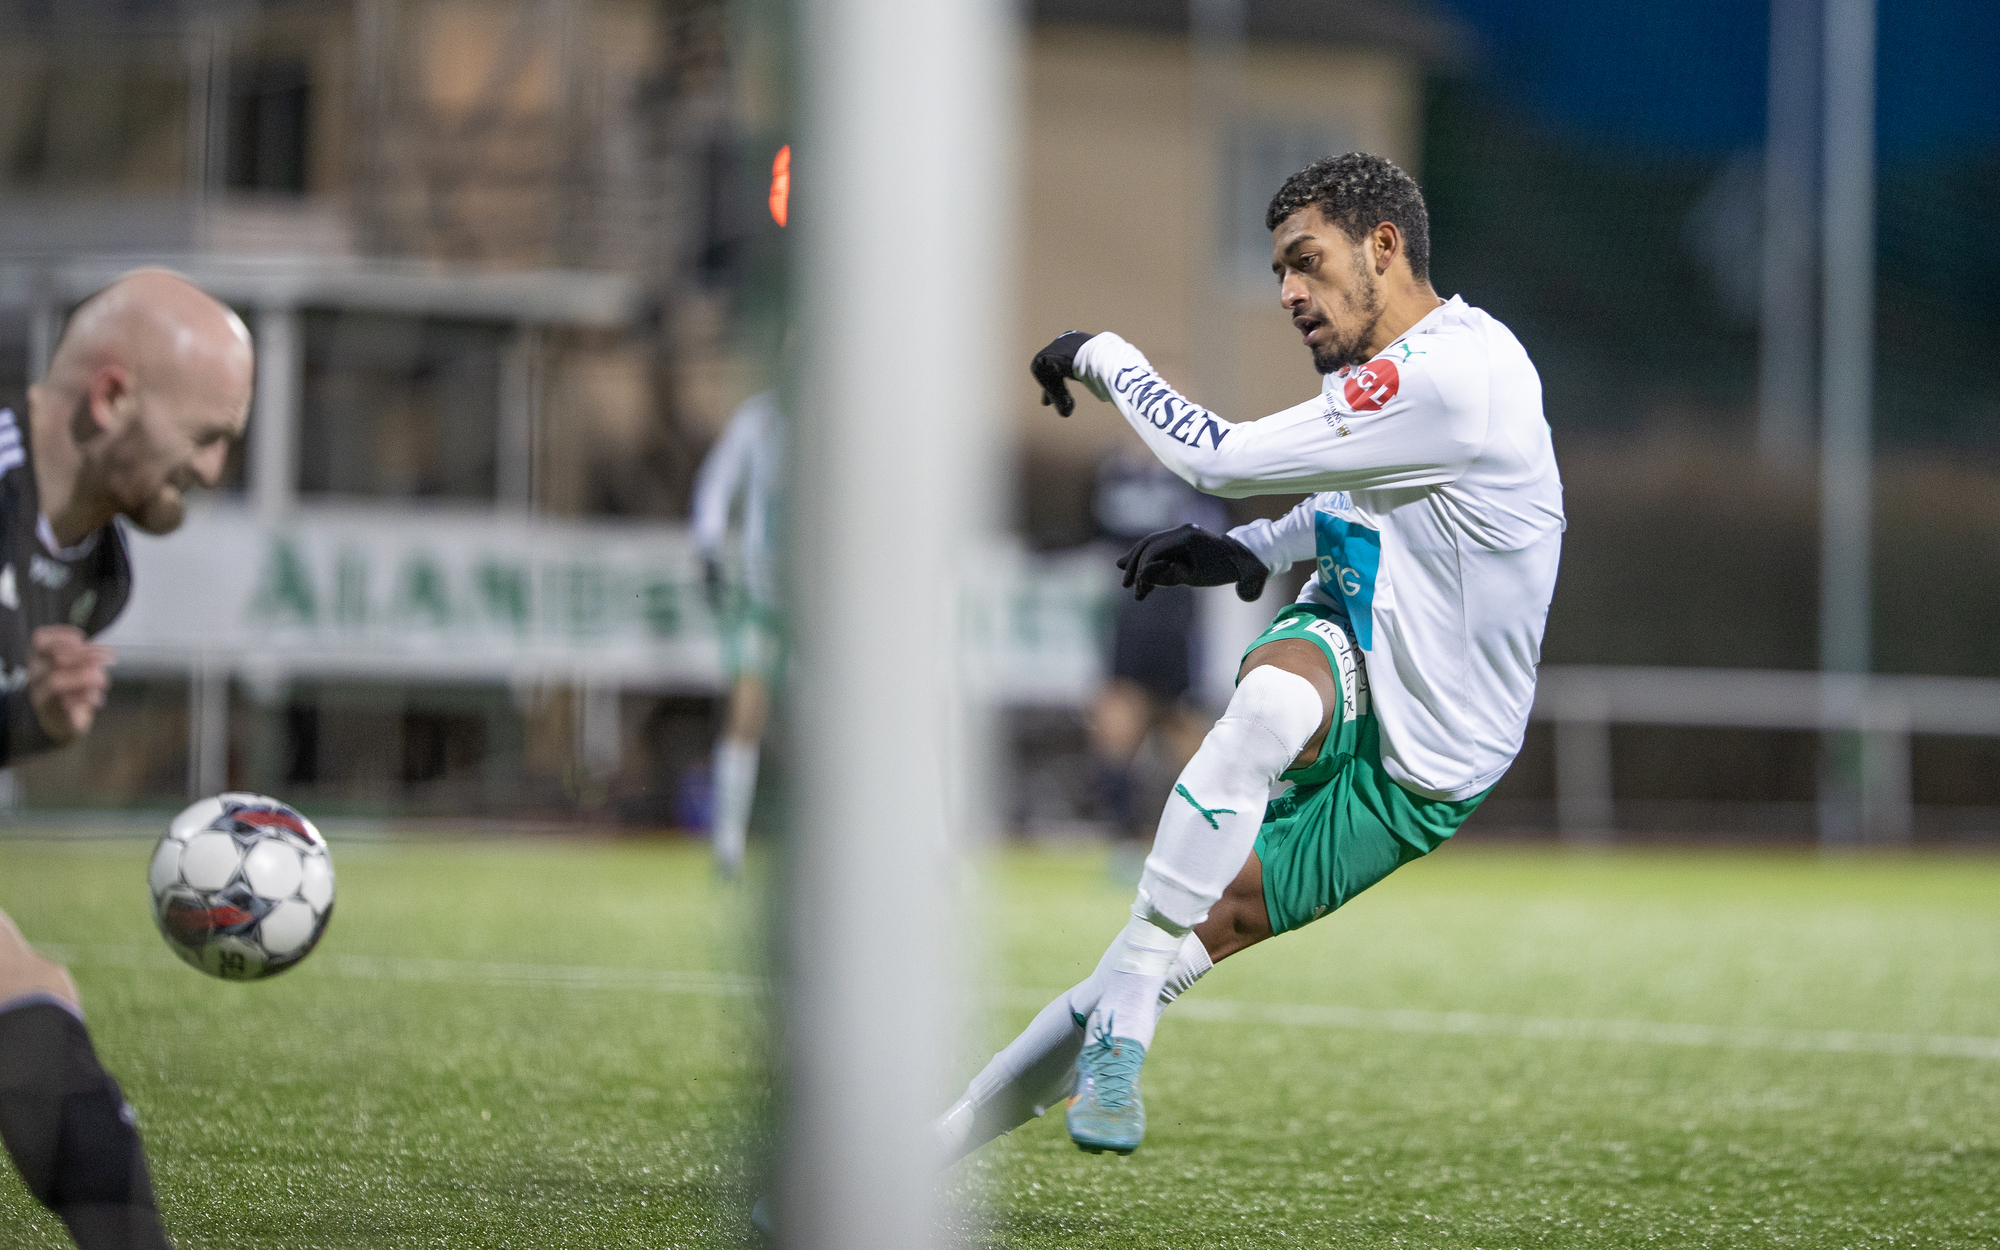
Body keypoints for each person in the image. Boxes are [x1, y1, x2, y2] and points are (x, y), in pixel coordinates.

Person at [937, 153, 1564, 1158]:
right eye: (1279, 270)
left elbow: (1213, 457)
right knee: (1268, 709)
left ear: (1383, 247)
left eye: (1304, 263)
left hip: (1428, 774)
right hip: (1349, 645)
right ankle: (1074, 1075)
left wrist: (1103, 352)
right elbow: (1358, 505)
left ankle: (994, 1103)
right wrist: (1252, 547)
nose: (1287, 293)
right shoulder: (1408, 378)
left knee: (1133, 965)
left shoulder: (1456, 376)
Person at [0, 269, 253, 1247]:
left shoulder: (97, 572)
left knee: (38, 1008)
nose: (219, 466)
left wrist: (33, 721)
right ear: (110, 398)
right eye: (208, 434)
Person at [1085, 453, 1227, 853]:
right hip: (1131, 616)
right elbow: (1093, 533)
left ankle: (1202, 830)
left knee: (1177, 722)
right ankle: (1128, 835)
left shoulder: (1198, 474)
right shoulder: (1112, 472)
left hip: (1177, 619)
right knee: (1120, 718)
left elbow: (1222, 533)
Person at [690, 391, 782, 877]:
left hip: (834, 602)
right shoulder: (758, 417)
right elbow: (717, 480)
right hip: (763, 597)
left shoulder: (849, 402)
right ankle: (728, 847)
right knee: (746, 709)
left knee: (879, 716)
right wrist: (707, 544)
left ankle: (932, 848)